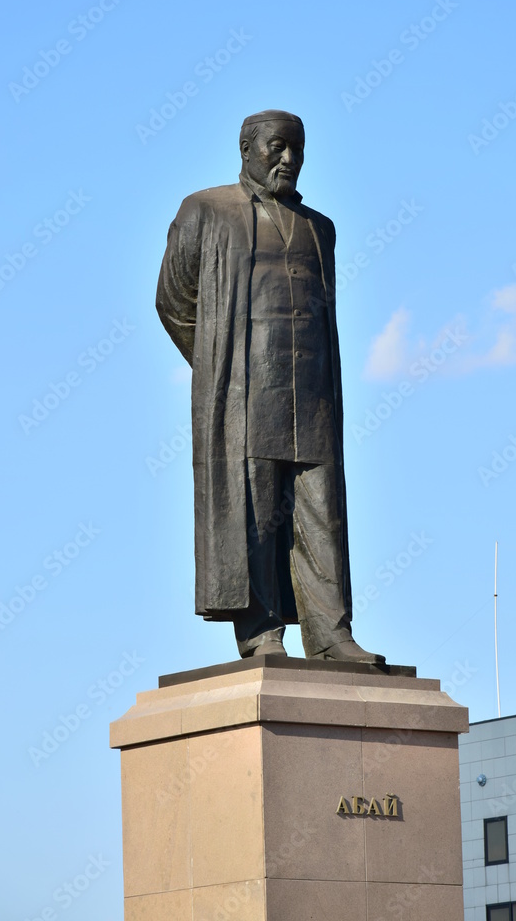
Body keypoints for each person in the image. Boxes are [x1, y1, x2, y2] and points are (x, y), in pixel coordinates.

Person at [156, 109, 384, 664]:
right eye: (277, 147)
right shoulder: (205, 211)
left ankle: (330, 634)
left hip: (312, 395)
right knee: (254, 512)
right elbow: (173, 299)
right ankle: (261, 633)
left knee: (320, 513)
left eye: (297, 150)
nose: (288, 159)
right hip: (246, 394)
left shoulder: (319, 228)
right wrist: (220, 367)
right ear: (247, 150)